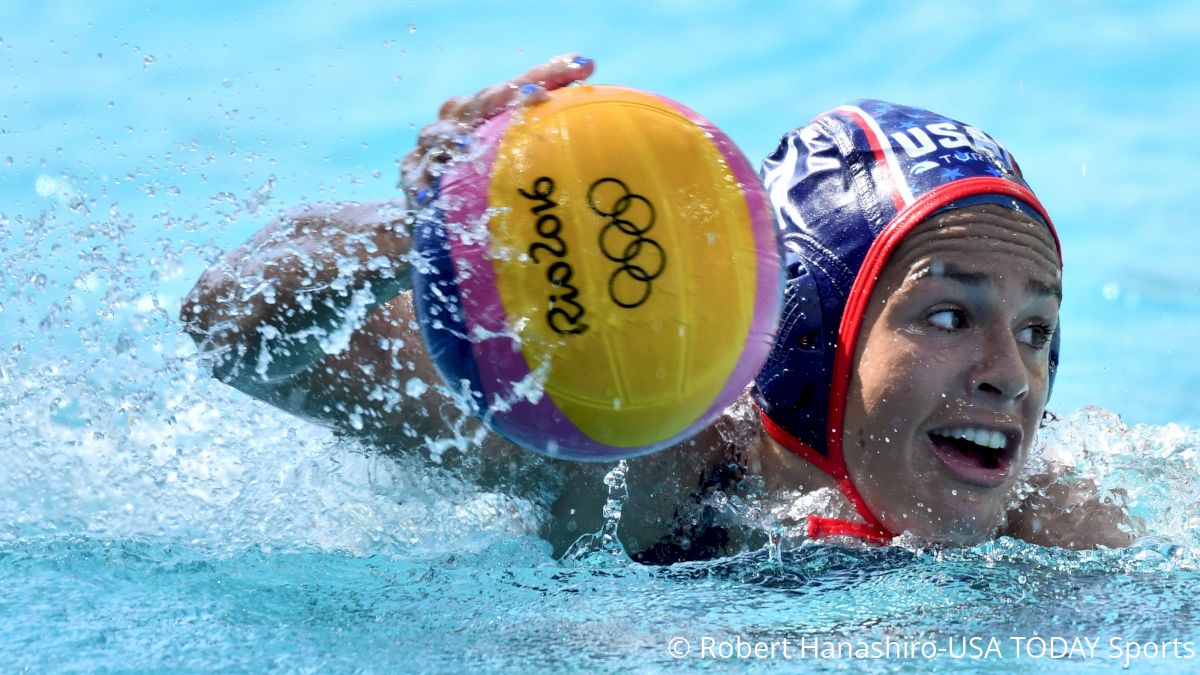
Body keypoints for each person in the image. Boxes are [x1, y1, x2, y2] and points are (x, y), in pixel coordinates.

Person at [180, 55, 1134, 562]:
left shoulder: (1056, 524)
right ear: (811, 338)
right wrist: (420, 235)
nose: (1011, 373)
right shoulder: (637, 459)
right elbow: (230, 329)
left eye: (1038, 327)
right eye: (947, 315)